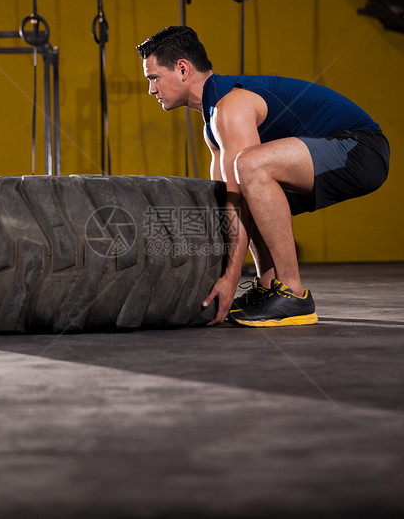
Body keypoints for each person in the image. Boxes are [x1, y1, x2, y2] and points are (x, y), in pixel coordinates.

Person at [136, 26, 390, 327]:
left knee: (250, 166)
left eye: (153, 78)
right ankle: (269, 288)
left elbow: (245, 179)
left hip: (360, 148)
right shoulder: (213, 126)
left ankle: (294, 294)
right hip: (331, 151)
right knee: (241, 186)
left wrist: (231, 277)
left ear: (182, 69)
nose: (151, 89)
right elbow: (233, 203)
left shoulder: (230, 106)